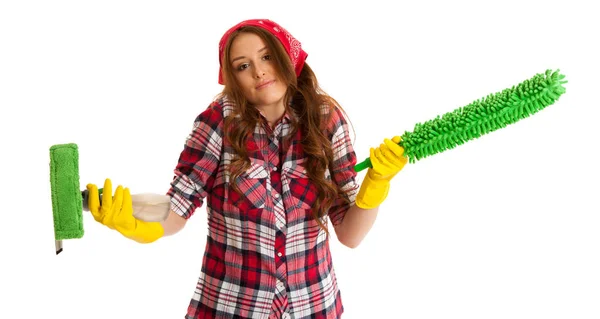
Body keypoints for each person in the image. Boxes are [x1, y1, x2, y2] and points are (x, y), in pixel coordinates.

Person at [86, 19, 408, 319]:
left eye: (267, 57)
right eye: (243, 66)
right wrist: (135, 224)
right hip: (230, 307)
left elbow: (350, 235)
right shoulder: (217, 123)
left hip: (315, 306)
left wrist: (375, 183)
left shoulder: (325, 119)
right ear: (233, 78)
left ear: (286, 57)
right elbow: (177, 211)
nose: (259, 72)